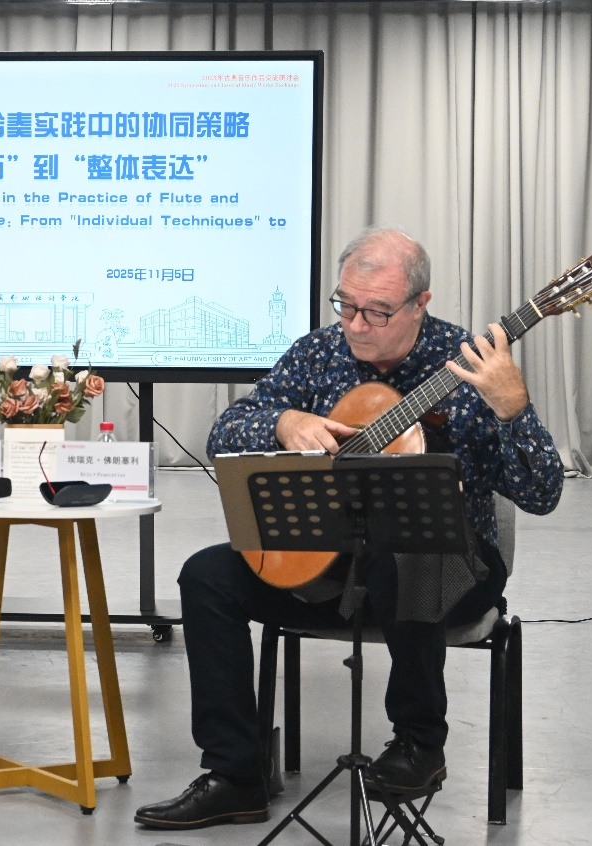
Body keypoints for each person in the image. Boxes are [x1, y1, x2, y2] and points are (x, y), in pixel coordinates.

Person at [134, 227, 564, 830]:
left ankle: (419, 744)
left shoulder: (469, 367)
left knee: (405, 556)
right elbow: (225, 432)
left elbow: (543, 494)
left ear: (420, 304)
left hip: (450, 571)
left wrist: (515, 408)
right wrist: (282, 422)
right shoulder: (318, 353)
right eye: (346, 305)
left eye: (377, 311)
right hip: (331, 571)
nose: (357, 325)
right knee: (207, 576)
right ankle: (236, 775)